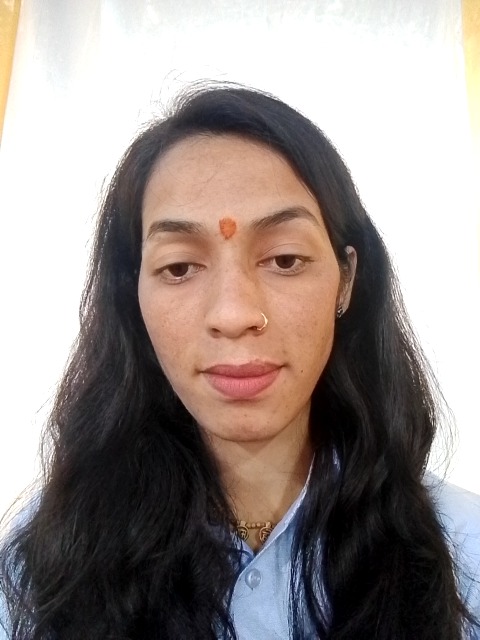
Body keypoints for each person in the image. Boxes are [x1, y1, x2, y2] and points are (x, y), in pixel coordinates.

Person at [1, 83, 479, 640]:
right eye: (179, 268)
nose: (233, 314)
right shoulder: (45, 560)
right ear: (132, 294)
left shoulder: (463, 551)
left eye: (285, 259)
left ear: (346, 279)